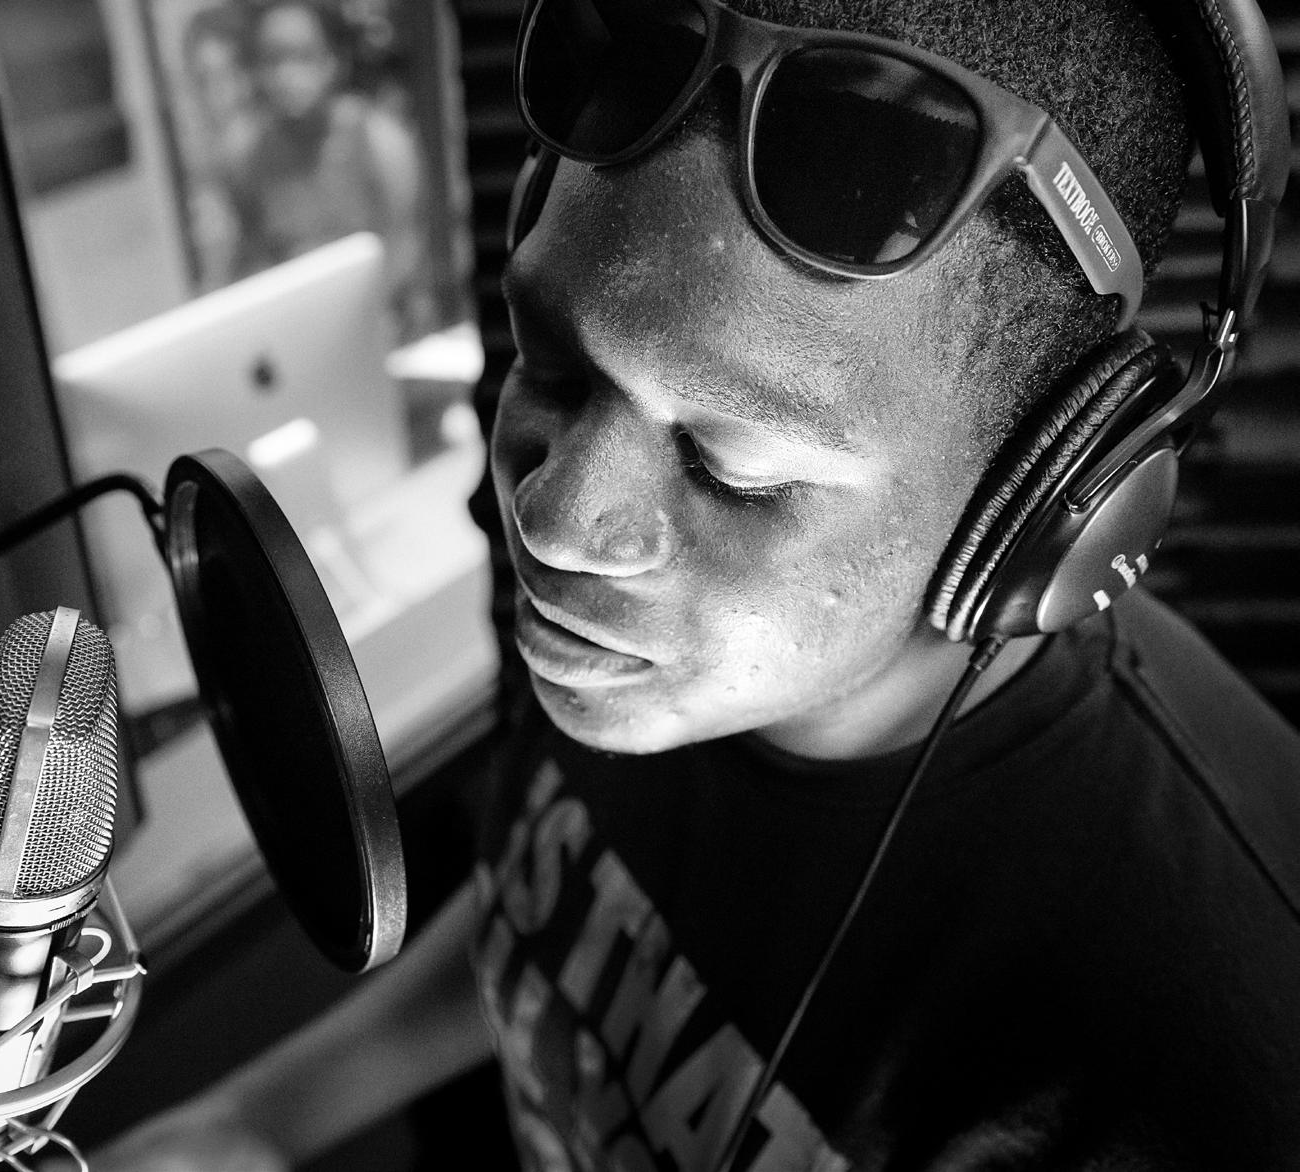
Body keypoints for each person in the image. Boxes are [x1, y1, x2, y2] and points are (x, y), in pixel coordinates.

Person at [74, 0, 1300, 1167]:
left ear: (1046, 503)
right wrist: (257, 1119)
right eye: (551, 364)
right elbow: (568, 906)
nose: (553, 519)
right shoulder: (659, 660)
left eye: (730, 466)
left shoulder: (1201, 1076)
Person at [219, 0, 438, 339]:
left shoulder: (381, 140)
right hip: (295, 333)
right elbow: (252, 256)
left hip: (385, 325)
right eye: (273, 59)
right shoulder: (247, 158)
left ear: (333, 61)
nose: (287, 74)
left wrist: (355, 321)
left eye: (303, 56)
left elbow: (408, 245)